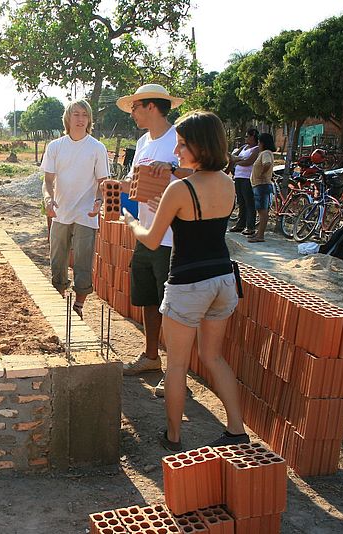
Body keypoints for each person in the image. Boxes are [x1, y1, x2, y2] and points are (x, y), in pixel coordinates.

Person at [122, 110, 248, 452]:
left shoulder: (180, 189)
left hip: (187, 283)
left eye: (181, 146)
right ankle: (236, 429)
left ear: (200, 146)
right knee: (213, 357)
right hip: (223, 280)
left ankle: (174, 437)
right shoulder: (228, 183)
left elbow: (150, 238)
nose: (176, 153)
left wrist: (130, 219)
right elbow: (203, 221)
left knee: (177, 365)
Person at [115, 84, 186, 393]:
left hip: (172, 236)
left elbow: (202, 171)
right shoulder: (144, 141)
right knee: (146, 296)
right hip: (147, 231)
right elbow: (135, 182)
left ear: (152, 107)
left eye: (135, 107)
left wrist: (171, 167)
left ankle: (174, 371)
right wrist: (120, 186)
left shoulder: (178, 139)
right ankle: (151, 356)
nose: (132, 113)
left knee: (169, 304)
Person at [41, 100, 108, 320]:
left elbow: (102, 182)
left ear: (89, 120)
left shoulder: (97, 148)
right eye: (76, 114)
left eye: (84, 115)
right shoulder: (56, 146)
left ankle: (79, 305)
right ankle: (59, 297)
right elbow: (48, 180)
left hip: (86, 213)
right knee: (57, 258)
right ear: (68, 118)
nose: (80, 119)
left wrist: (99, 201)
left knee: (83, 259)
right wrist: (49, 199)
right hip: (60, 211)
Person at [229, 129, 260, 235]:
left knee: (249, 203)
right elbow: (232, 157)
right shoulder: (243, 147)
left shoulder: (256, 149)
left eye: (247, 136)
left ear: (253, 137)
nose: (246, 138)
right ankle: (240, 224)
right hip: (238, 177)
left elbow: (249, 161)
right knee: (241, 202)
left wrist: (237, 161)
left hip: (248, 178)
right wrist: (237, 160)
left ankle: (250, 226)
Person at [248, 133, 276, 243]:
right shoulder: (264, 153)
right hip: (259, 185)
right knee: (261, 210)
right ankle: (258, 233)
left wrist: (262, 174)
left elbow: (267, 164)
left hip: (262, 185)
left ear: (263, 143)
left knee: (263, 211)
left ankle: (260, 236)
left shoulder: (266, 153)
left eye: (259, 142)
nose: (258, 144)